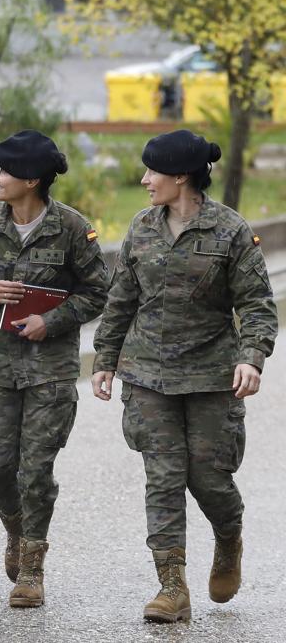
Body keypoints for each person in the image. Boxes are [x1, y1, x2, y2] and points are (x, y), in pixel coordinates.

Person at [93, 129, 277, 623]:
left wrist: (251, 356)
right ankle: (172, 586)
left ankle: (228, 536)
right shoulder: (141, 227)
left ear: (180, 177)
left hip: (212, 376)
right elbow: (120, 301)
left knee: (209, 478)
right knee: (164, 477)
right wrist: (105, 360)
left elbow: (257, 304)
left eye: (152, 172)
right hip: (148, 376)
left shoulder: (230, 231)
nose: (144, 179)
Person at [0, 130, 110, 608]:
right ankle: (16, 524)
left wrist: (54, 319)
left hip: (50, 369)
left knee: (36, 469)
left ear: (30, 179)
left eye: (2, 170)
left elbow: (98, 291)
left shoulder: (71, 228)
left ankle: (32, 568)